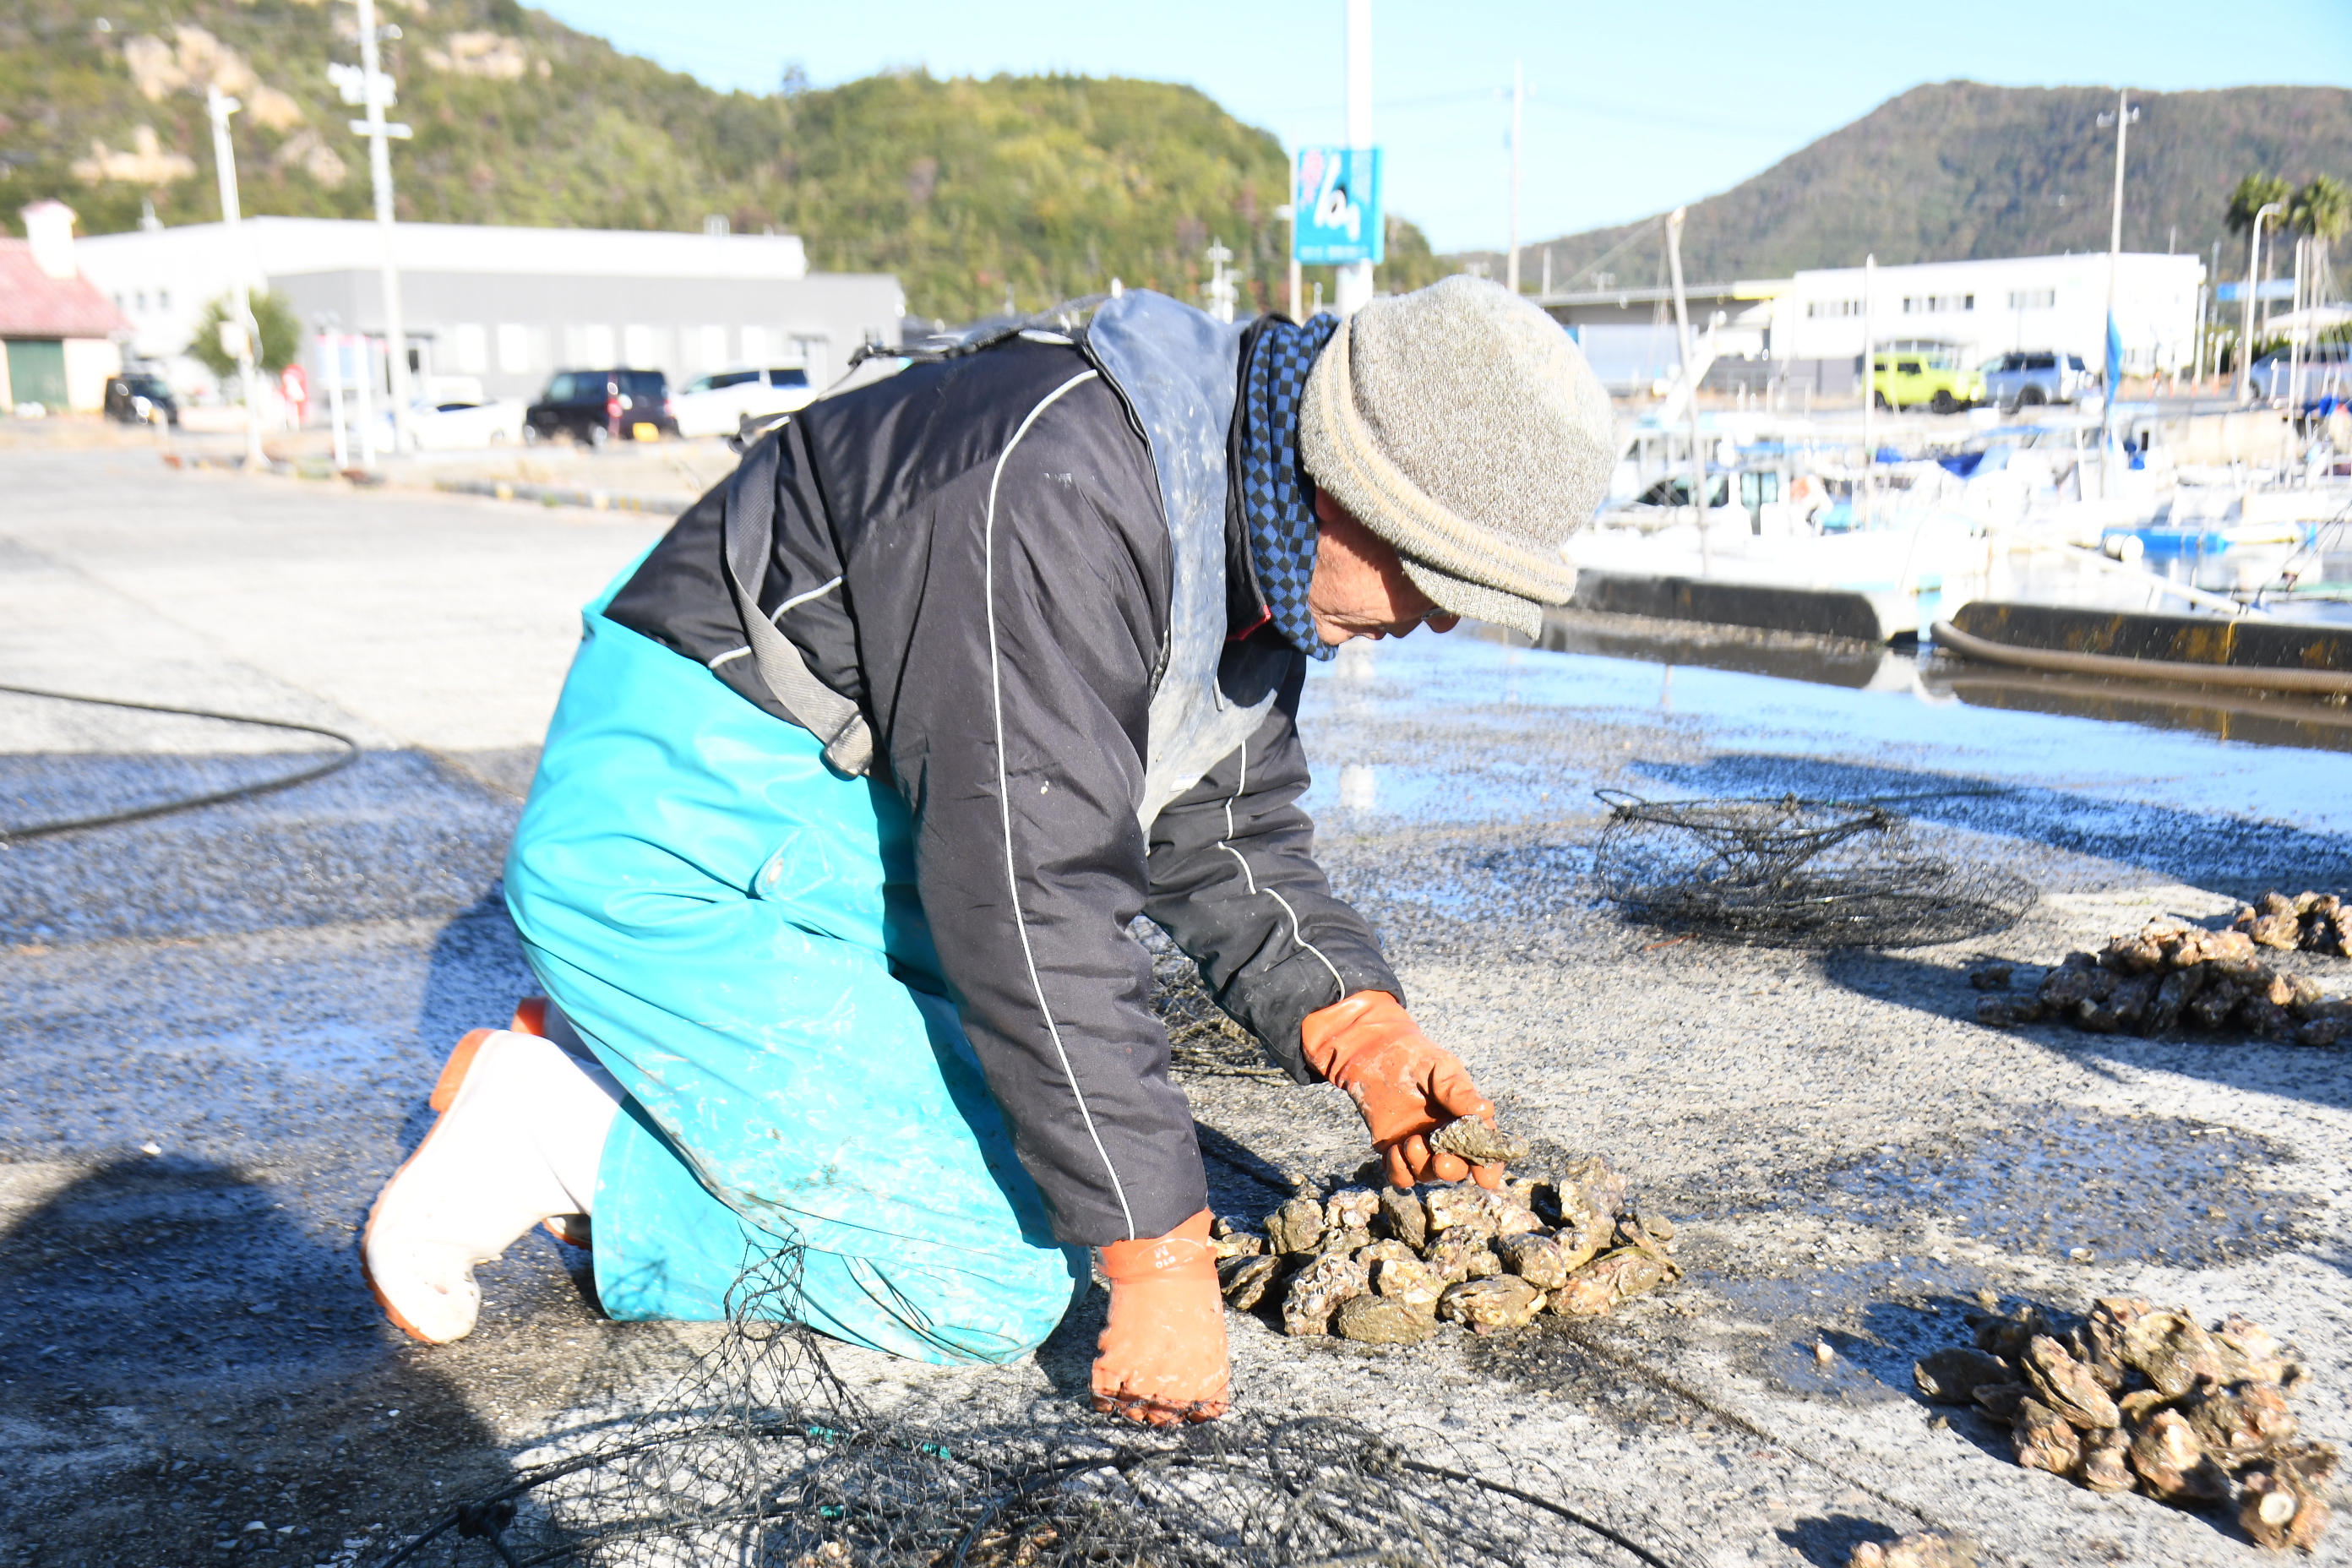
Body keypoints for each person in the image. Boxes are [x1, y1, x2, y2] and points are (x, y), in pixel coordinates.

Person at [362, 275, 1615, 1425]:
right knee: (991, 1275)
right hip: (677, 838)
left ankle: (660, 1049)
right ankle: (562, 1134)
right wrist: (1161, 1256)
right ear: (1352, 483)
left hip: (836, 837)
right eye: (1438, 573)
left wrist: (1360, 1029)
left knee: (1065, 1145)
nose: (1442, 616)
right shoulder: (1062, 489)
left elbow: (1218, 824)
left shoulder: (1245, 516)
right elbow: (1031, 896)